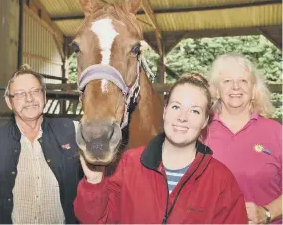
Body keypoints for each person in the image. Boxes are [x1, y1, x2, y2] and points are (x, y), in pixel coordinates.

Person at [74, 74, 247, 224]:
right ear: (165, 112)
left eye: (194, 111)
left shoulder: (221, 181)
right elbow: (95, 221)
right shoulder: (127, 165)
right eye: (176, 107)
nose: (182, 117)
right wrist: (94, 184)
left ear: (205, 121)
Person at [0, 64, 81, 224]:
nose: (29, 99)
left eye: (35, 91)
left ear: (44, 95)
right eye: (20, 94)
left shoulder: (71, 130)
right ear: (9, 102)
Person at [204, 53, 282, 224]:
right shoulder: (200, 132)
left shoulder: (277, 133)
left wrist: (267, 213)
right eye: (227, 81)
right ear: (216, 90)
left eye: (243, 81)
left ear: (254, 90)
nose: (236, 87)